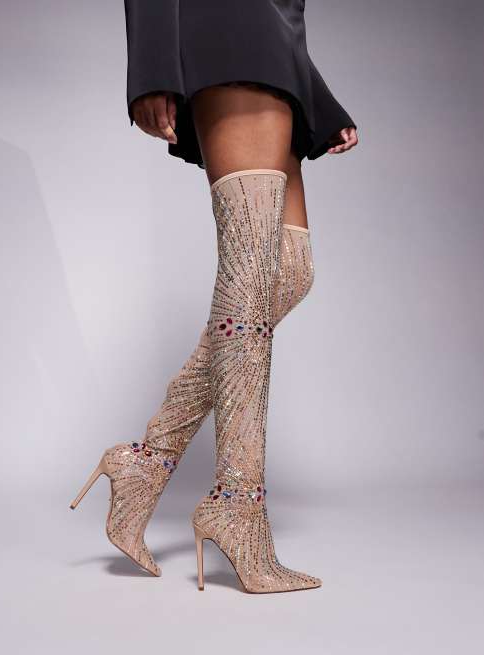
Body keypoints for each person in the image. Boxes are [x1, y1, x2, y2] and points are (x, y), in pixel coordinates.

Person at [71, 0, 358, 594]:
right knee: (250, 273)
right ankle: (237, 504)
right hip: (229, 35)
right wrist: (152, 66)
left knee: (290, 272)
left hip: (276, 54)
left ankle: (146, 461)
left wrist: (319, 98)